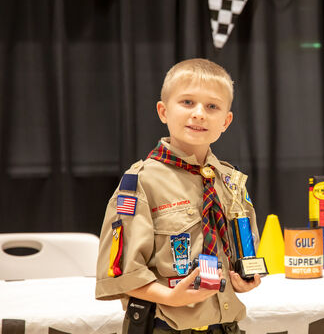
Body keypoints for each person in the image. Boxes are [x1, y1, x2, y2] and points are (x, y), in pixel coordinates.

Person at [95, 58, 261, 334]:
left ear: (226, 121)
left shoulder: (231, 181)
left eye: (212, 106)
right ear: (163, 111)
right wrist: (172, 297)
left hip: (226, 326)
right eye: (187, 102)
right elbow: (122, 273)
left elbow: (244, 251)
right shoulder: (141, 182)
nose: (199, 114)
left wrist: (245, 278)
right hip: (166, 327)